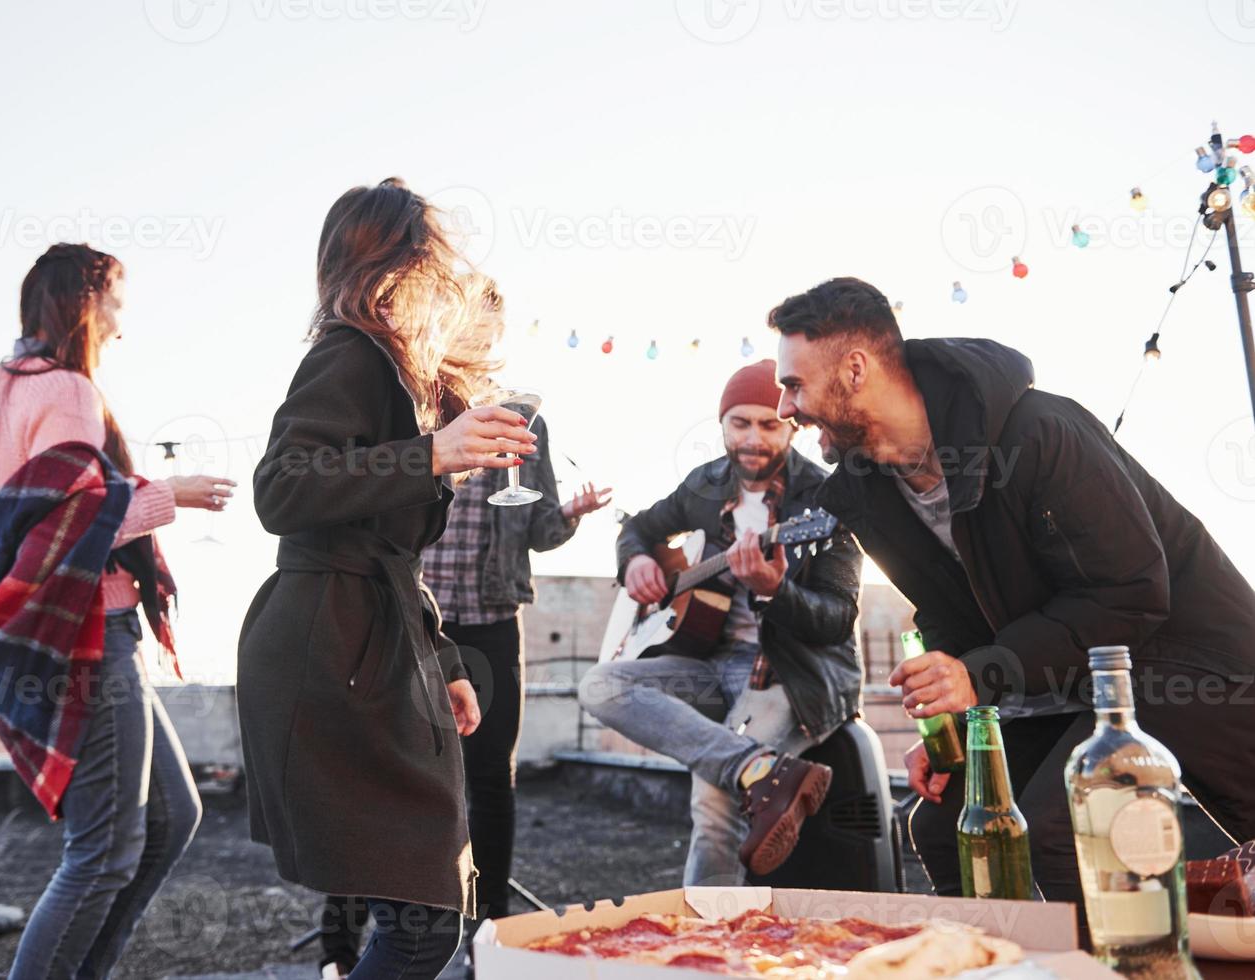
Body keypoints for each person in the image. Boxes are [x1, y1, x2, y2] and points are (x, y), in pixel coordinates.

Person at [770, 275, 1255, 910]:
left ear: (855, 369)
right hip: (1076, 678)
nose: (785, 409)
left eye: (793, 384)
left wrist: (981, 677)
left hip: (1184, 662)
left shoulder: (1036, 434)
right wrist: (963, 731)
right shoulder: (870, 488)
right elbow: (953, 617)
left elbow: (1129, 593)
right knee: (945, 824)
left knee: (1060, 826)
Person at [237, 178, 538, 980]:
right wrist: (434, 455)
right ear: (400, 265)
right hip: (328, 651)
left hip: (370, 646)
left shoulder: (402, 379)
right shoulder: (349, 352)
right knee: (422, 921)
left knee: (428, 912)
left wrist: (441, 665)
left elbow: (391, 555)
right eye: (433, 258)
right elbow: (281, 490)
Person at [0, 243, 233, 979]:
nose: (122, 322)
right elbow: (62, 533)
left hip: (56, 634)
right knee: (103, 851)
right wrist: (165, 495)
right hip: (88, 632)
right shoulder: (67, 392)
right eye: (116, 302)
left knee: (168, 819)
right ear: (87, 305)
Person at [314, 283, 611, 979]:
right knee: (379, 779)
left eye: (491, 328)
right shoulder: (408, 402)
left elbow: (534, 527)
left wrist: (569, 514)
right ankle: (339, 943)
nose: (482, 339)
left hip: (491, 618)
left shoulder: (524, 423)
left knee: (491, 783)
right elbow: (366, 500)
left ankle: (491, 937)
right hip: (410, 619)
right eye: (471, 326)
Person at [578, 360, 863, 884]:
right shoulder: (706, 485)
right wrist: (637, 561)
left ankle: (708, 947)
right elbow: (639, 528)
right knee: (601, 686)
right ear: (723, 425)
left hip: (791, 673)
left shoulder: (826, 502)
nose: (753, 438)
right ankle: (757, 769)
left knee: (712, 804)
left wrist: (776, 592)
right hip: (708, 662)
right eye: (740, 423)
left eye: (768, 424)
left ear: (790, 424)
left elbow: (837, 620)